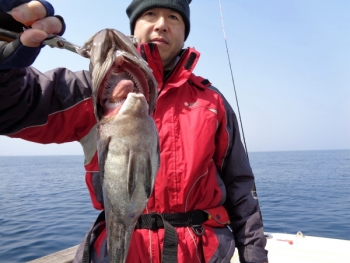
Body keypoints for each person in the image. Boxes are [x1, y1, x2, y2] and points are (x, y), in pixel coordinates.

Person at [0, 0, 268, 262]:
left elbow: (240, 187)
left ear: (185, 32)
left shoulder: (212, 102)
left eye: (173, 18)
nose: (162, 24)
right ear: (134, 27)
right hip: (118, 250)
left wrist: (254, 255)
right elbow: (12, 108)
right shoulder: (91, 91)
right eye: (150, 14)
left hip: (202, 252)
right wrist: (4, 47)